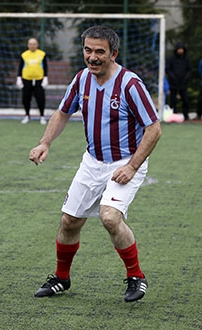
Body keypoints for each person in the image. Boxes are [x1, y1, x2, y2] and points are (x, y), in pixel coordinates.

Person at [29, 25, 161, 303]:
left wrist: (133, 166)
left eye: (99, 51)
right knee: (69, 221)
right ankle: (61, 278)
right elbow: (63, 112)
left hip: (125, 161)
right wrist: (45, 142)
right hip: (92, 162)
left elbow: (154, 129)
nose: (92, 57)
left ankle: (136, 276)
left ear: (113, 53)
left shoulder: (130, 84)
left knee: (110, 217)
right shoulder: (81, 80)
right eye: (88, 50)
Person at [17, 37, 49, 125]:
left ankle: (42, 116)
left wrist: (45, 77)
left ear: (37, 45)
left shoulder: (42, 54)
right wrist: (19, 78)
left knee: (40, 98)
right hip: (26, 79)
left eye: (34, 44)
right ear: (28, 45)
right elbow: (20, 67)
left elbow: (45, 66)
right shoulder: (24, 55)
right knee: (26, 98)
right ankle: (27, 115)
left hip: (39, 80)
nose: (32, 46)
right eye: (30, 44)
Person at [165, 42, 191, 120]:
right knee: (173, 100)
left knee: (185, 99)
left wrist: (185, 79)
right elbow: (168, 70)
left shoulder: (186, 59)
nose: (180, 51)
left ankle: (186, 116)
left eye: (182, 49)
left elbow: (189, 70)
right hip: (174, 83)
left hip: (183, 83)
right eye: (179, 49)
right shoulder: (171, 59)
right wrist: (173, 78)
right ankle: (173, 115)